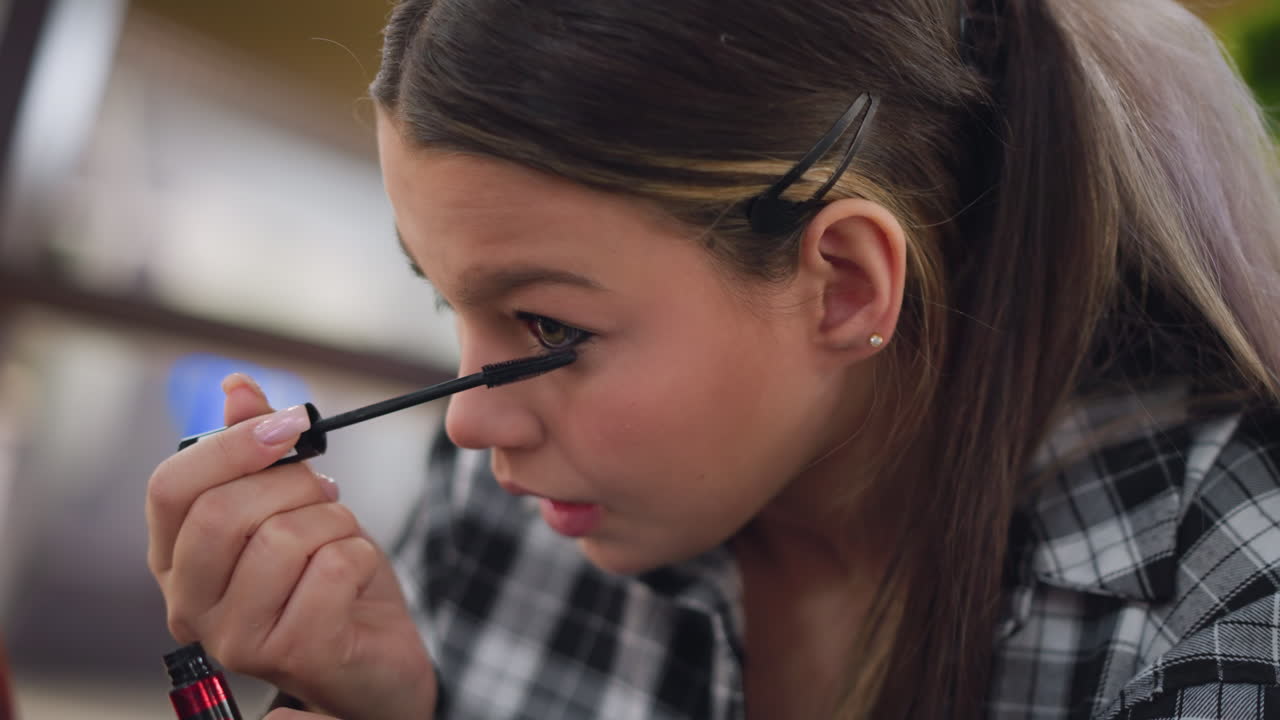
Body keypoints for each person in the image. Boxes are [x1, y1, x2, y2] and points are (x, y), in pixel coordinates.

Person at [144, 0, 1280, 717]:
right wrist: (378, 708)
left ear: (841, 282)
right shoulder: (516, 502)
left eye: (543, 329)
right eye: (440, 298)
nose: (465, 424)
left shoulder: (1226, 599)